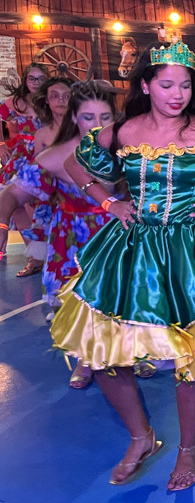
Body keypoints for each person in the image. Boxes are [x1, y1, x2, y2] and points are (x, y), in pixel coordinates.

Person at [50, 41, 195, 490]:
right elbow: (76, 164)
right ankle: (141, 437)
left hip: (192, 253)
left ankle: (187, 448)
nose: (177, 94)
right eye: (167, 84)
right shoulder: (124, 130)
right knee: (102, 353)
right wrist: (109, 203)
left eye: (184, 85)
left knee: (188, 355)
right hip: (133, 251)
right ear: (146, 86)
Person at [0, 80, 120, 386]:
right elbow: (13, 193)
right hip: (74, 240)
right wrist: (1, 224)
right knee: (78, 301)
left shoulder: (129, 151)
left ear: (115, 117)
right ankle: (85, 358)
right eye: (88, 117)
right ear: (75, 117)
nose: (97, 124)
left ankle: (135, 352)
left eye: (105, 117)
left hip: (118, 236)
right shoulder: (56, 155)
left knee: (125, 295)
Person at [2, 75, 73, 277]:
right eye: (55, 96)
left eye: (67, 95)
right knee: (32, 210)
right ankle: (37, 259)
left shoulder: (89, 130)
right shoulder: (40, 133)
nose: (61, 100)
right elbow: (39, 172)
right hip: (46, 185)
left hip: (82, 200)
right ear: (47, 101)